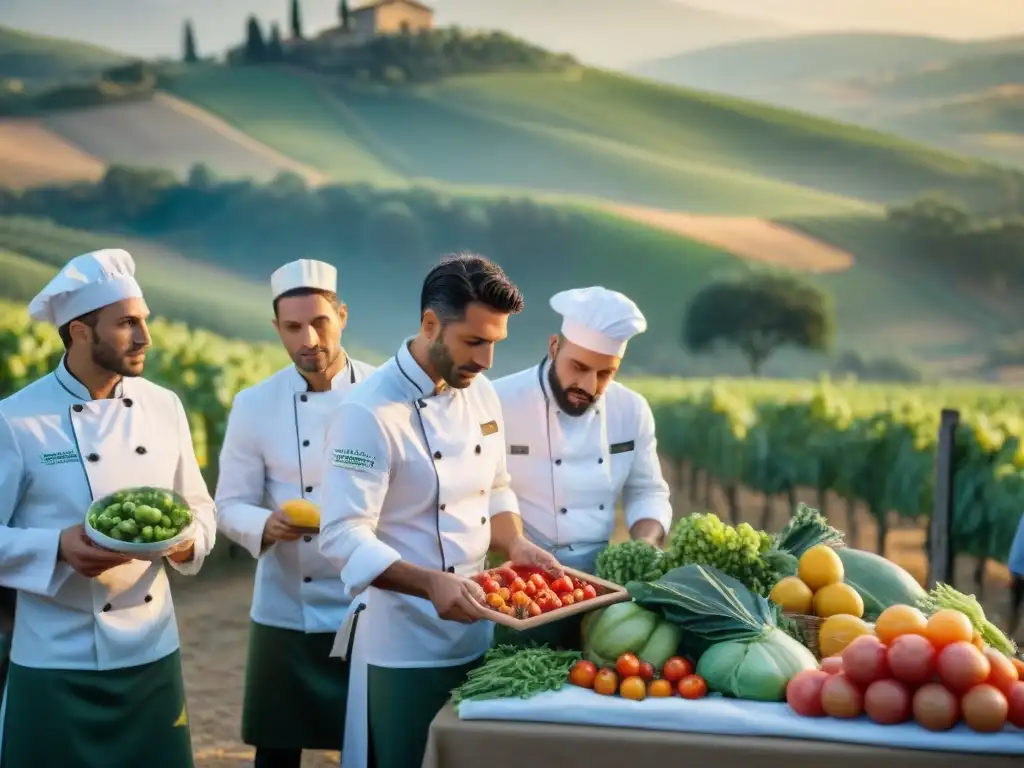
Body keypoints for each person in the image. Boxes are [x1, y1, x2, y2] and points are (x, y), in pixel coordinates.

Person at [318, 253, 564, 768]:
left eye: (495, 342)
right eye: (474, 342)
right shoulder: (367, 412)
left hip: (479, 634)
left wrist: (514, 543)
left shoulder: (483, 395)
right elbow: (342, 535)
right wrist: (430, 583)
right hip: (402, 645)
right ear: (431, 324)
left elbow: (496, 488)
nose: (488, 359)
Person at [0, 248, 217, 767]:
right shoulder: (16, 419)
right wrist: (55, 545)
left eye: (144, 321)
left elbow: (199, 506)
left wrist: (188, 542)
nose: (144, 337)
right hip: (55, 659)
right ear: (79, 331)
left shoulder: (164, 406)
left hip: (150, 651)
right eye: (126, 324)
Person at [215, 259, 375, 768]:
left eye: (319, 322)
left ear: (342, 316)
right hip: (286, 607)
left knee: (368, 745)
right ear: (277, 329)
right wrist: (265, 524)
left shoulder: (382, 395)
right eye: (292, 327)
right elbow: (228, 505)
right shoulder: (253, 404)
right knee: (276, 747)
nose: (308, 338)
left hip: (367, 602)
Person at [491, 286, 673, 648]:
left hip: (601, 592)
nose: (588, 386)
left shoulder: (631, 410)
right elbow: (484, 490)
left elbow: (648, 491)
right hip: (519, 586)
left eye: (606, 373)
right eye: (579, 367)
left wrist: (646, 545)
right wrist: (514, 544)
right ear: (554, 346)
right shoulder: (499, 400)